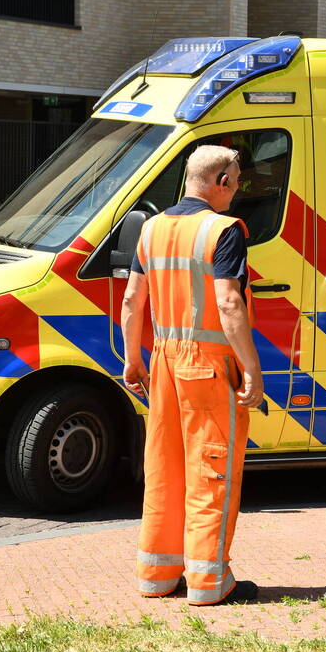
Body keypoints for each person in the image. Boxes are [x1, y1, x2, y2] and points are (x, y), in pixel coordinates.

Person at [121, 144, 264, 606]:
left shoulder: (152, 227)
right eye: (237, 179)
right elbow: (228, 303)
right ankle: (208, 582)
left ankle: (157, 576)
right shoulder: (222, 231)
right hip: (207, 364)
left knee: (163, 469)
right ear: (221, 181)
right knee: (212, 471)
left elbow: (130, 302)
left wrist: (132, 358)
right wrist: (251, 370)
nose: (238, 188)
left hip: (162, 359)